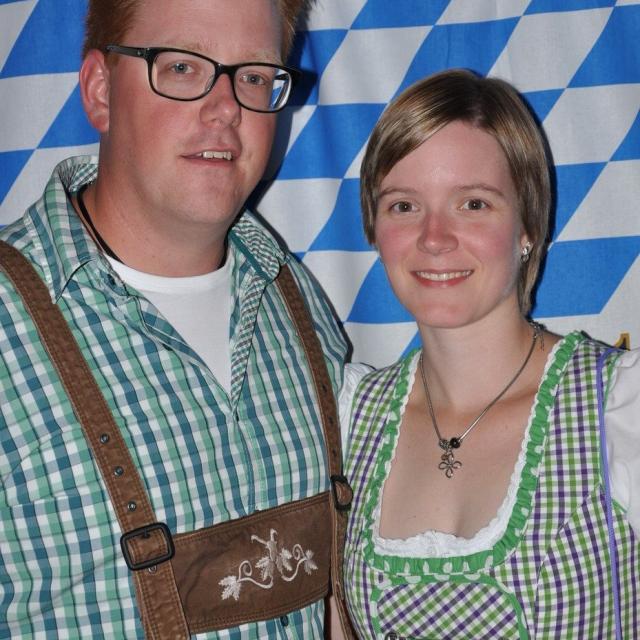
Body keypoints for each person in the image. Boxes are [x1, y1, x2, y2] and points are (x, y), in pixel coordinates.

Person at [0, 1, 352, 638]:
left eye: (253, 76)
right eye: (183, 67)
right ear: (100, 91)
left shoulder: (299, 303)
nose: (226, 109)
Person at [340, 69, 640, 639]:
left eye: (473, 203)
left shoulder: (620, 408)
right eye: (403, 206)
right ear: (374, 228)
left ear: (528, 226)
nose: (434, 237)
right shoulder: (351, 417)